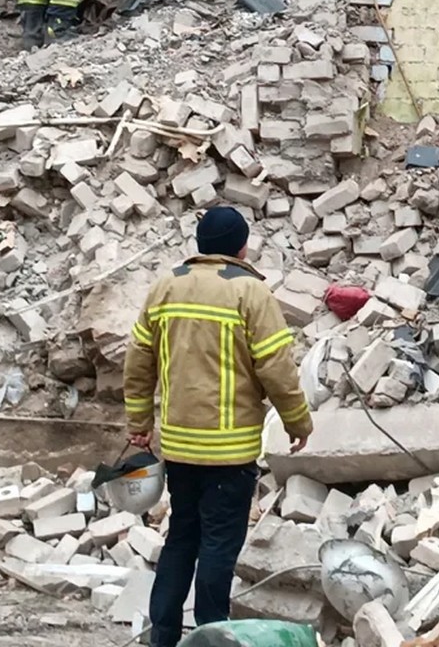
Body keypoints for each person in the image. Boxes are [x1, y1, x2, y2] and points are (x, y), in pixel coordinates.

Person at [123, 207, 311, 647]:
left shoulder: (165, 287)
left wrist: (139, 424)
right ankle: (212, 637)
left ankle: (163, 637)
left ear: (201, 245)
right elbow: (276, 368)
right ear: (241, 247)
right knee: (218, 550)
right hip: (230, 454)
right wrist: (297, 421)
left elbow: (138, 361)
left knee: (180, 541)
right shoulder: (250, 292)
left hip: (180, 449)